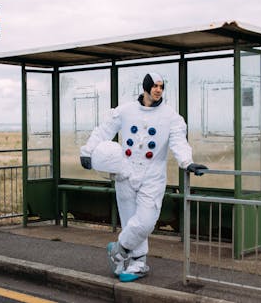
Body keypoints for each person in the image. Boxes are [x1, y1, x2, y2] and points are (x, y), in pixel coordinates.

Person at [80, 72, 207, 282]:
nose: (158, 90)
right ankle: (137, 263)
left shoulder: (171, 117)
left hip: (152, 176)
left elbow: (179, 142)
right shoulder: (125, 111)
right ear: (146, 87)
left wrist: (187, 162)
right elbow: (104, 130)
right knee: (130, 221)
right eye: (155, 86)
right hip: (125, 174)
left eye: (161, 86)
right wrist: (87, 151)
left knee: (145, 222)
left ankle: (118, 251)